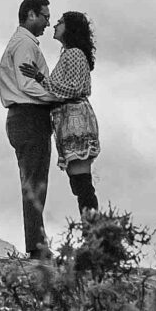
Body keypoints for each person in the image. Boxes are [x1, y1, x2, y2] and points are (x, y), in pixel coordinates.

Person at [0, 0, 58, 258]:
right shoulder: (24, 44)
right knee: (35, 183)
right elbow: (27, 84)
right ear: (31, 14)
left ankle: (37, 243)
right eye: (45, 16)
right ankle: (37, 246)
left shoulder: (22, 42)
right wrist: (56, 97)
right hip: (29, 116)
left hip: (25, 117)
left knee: (34, 181)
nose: (47, 23)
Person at [38, 12, 101, 213]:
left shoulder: (73, 53)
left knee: (81, 181)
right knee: (79, 181)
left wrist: (41, 80)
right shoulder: (71, 54)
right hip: (70, 120)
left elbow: (73, 88)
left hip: (75, 120)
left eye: (60, 22)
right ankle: (91, 225)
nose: (55, 25)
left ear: (70, 28)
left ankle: (93, 227)